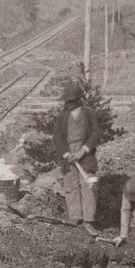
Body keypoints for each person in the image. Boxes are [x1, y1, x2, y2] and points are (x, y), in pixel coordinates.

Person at [52, 81, 100, 236]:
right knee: (71, 186)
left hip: (86, 156)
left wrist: (83, 151)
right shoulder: (62, 117)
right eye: (67, 101)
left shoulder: (88, 113)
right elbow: (57, 138)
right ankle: (75, 217)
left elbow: (96, 134)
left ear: (78, 99)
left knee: (89, 188)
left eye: (71, 101)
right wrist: (66, 154)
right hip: (68, 156)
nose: (68, 104)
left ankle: (88, 220)